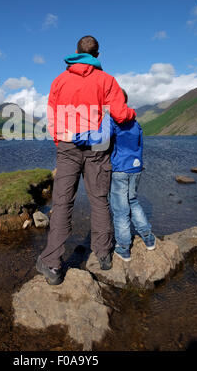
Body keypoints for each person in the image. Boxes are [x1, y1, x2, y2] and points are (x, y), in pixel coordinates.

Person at [36, 36, 136, 285]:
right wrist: (132, 113)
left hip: (68, 147)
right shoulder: (107, 80)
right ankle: (103, 254)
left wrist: (61, 141)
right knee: (99, 201)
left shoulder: (59, 81)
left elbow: (52, 117)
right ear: (97, 55)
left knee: (61, 204)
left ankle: (52, 264)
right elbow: (121, 115)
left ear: (76, 52)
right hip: (98, 148)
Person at [73, 89, 156, 262]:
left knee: (120, 210)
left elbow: (98, 139)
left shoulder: (112, 119)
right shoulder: (134, 120)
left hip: (119, 169)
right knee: (133, 201)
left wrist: (77, 137)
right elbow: (139, 143)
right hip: (136, 167)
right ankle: (148, 238)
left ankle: (124, 248)